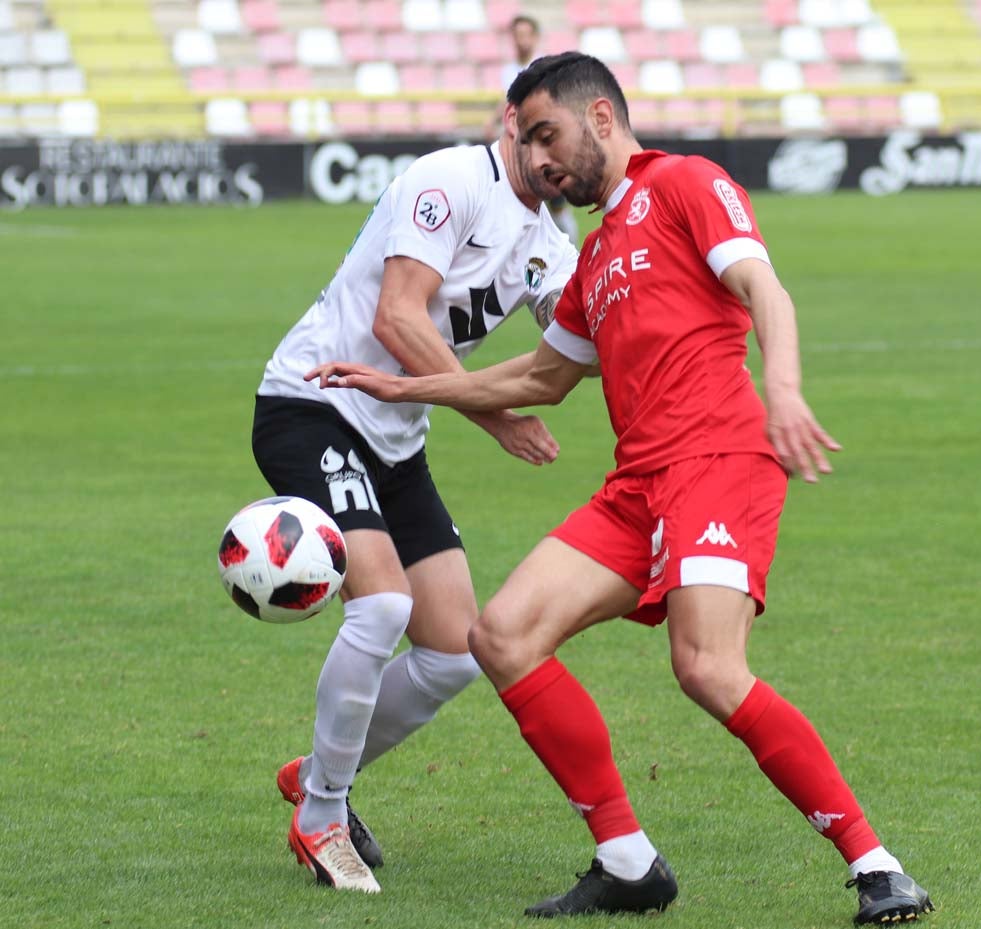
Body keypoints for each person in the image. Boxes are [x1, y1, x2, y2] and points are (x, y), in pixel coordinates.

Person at [305, 52, 934, 925]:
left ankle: (877, 865)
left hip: (717, 460)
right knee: (503, 634)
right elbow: (536, 379)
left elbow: (765, 287)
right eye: (525, 142)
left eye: (547, 134)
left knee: (706, 667)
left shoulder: (684, 182)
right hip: (638, 485)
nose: (537, 158)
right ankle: (627, 861)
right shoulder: (591, 257)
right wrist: (403, 387)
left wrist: (782, 387)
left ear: (601, 116)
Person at [252, 102, 576, 894]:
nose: (553, 155)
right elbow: (396, 315)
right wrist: (495, 415)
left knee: (453, 650)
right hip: (314, 403)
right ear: (512, 123)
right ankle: (323, 812)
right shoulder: (451, 180)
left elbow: (578, 343)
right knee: (383, 606)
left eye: (566, 141)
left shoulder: (550, 247)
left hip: (397, 438)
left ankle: (321, 770)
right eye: (541, 134)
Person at [494, 13, 580, 247]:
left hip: (544, 144)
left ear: (534, 37)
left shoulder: (545, 67)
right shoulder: (508, 70)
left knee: (557, 202)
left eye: (525, 34)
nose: (521, 40)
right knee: (520, 202)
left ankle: (571, 254)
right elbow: (508, 104)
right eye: (516, 35)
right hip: (520, 146)